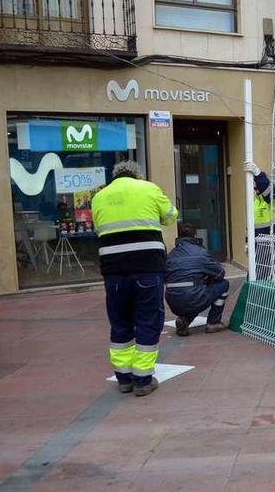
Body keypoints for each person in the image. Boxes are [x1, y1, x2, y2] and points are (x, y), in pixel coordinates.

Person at [92, 161, 177, 397]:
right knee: (148, 320)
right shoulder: (148, 188)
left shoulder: (99, 197)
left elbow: (99, 229)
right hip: (147, 267)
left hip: (114, 271)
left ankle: (124, 378)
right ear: (137, 174)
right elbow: (171, 216)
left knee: (120, 322)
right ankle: (143, 380)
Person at [166, 223, 230, 337]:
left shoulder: (171, 255)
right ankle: (213, 322)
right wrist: (208, 279)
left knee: (194, 293)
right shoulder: (200, 253)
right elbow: (220, 273)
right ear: (195, 236)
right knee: (223, 285)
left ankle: (185, 320)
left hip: (172, 301)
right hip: (192, 296)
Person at [244, 162, 275, 276]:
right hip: (260, 251)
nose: (256, 188)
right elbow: (251, 225)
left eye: (257, 185)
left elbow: (270, 194)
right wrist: (247, 243)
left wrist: (258, 174)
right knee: (256, 279)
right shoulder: (255, 201)